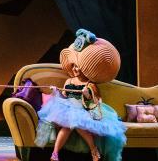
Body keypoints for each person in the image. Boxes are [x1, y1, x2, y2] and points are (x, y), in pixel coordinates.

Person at [35, 29, 127, 161]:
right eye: (74, 66)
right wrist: (55, 91)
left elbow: (96, 100)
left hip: (83, 109)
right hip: (68, 108)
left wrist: (87, 94)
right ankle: (55, 153)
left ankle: (93, 150)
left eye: (79, 67)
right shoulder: (69, 81)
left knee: (78, 125)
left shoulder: (90, 84)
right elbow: (64, 96)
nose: (75, 69)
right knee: (68, 126)